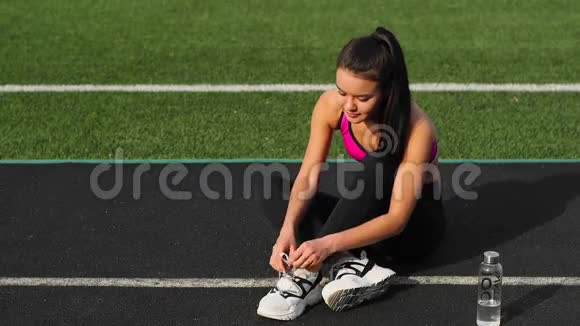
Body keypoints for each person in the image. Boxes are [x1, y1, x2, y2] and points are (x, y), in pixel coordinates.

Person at [253, 26, 446, 320]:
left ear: (387, 91)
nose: (349, 105)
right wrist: (288, 228)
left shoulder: (416, 129)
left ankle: (307, 276)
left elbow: (396, 220)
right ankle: (350, 265)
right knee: (270, 185)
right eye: (343, 91)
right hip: (369, 216)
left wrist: (326, 243)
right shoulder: (331, 105)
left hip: (412, 231)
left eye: (362, 97)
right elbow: (307, 177)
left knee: (378, 161)